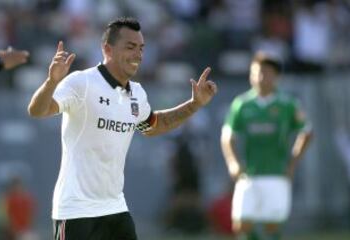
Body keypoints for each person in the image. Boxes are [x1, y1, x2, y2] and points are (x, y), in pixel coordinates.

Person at [27, 17, 217, 240]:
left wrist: (194, 104)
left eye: (141, 48)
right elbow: (38, 110)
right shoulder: (82, 82)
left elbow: (154, 125)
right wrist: (51, 81)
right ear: (107, 49)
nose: (138, 54)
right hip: (76, 210)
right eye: (130, 47)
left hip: (115, 208)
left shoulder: (137, 92)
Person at [220, 52, 312, 240]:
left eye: (266, 73)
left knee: (272, 226)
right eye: (256, 73)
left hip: (277, 173)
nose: (260, 77)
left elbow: (307, 132)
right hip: (249, 174)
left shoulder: (288, 104)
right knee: (241, 224)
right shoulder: (242, 104)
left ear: (276, 76)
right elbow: (227, 136)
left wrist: (293, 163)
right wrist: (233, 163)